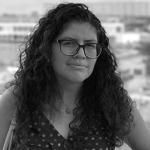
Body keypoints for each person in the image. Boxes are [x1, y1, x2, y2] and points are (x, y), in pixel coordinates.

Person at [0, 2, 150, 150]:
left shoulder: (114, 102)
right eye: (69, 43)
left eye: (90, 45)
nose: (80, 54)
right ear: (46, 48)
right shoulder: (16, 99)